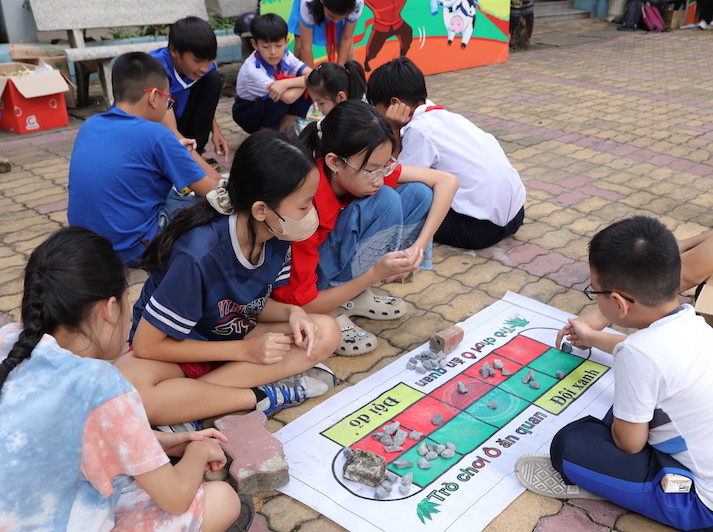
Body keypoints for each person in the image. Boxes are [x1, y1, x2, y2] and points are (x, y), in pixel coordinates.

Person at [0, 226, 252, 532]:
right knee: (223, 500)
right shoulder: (101, 384)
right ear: (109, 309)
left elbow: (62, 437)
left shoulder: (9, 341)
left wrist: (162, 442)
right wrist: (198, 453)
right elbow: (175, 499)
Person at [115, 131, 340, 427]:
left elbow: (254, 304)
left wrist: (292, 313)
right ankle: (259, 396)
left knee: (325, 330)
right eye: (304, 205)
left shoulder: (277, 235)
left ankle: (185, 403)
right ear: (261, 210)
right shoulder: (198, 254)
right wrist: (244, 351)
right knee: (127, 391)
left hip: (233, 338)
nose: (311, 212)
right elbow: (147, 346)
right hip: (179, 348)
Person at [514, 216, 713, 531]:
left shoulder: (639, 354)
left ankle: (614, 486)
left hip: (702, 505)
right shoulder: (694, 323)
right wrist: (593, 338)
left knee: (568, 446)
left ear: (618, 303)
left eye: (594, 292)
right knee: (623, 411)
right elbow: (644, 352)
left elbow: (630, 445)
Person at [272, 100, 458, 356]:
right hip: (305, 291)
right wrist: (374, 274)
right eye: (371, 170)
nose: (379, 179)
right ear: (334, 162)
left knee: (419, 194)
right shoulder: (304, 208)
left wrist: (417, 247)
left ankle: (352, 293)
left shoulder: (359, 171)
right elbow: (296, 301)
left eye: (385, 167)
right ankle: (333, 306)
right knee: (386, 199)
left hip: (330, 253)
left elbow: (447, 181)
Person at [68, 52, 217, 266]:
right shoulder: (157, 135)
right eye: (168, 102)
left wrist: (174, 153)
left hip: (88, 248)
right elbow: (212, 192)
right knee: (206, 205)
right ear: (153, 96)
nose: (168, 107)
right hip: (135, 248)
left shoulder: (90, 125)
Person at [367, 57, 526, 250]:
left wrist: (392, 129)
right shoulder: (446, 116)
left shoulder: (419, 131)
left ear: (395, 104)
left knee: (416, 195)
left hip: (479, 230)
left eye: (377, 110)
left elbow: (398, 180)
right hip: (516, 215)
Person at [555, 227, 713, 350]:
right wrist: (685, 245)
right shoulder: (693, 324)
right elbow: (688, 271)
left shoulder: (650, 349)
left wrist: (593, 335)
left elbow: (647, 352)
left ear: (620, 303)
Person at [150, 16, 227, 176]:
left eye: (209, 60)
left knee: (212, 78)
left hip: (178, 125)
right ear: (174, 51)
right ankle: (184, 161)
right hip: (153, 132)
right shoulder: (154, 70)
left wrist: (216, 131)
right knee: (173, 99)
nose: (204, 67)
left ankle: (196, 152)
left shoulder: (203, 70)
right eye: (198, 60)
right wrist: (214, 178)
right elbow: (170, 129)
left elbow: (205, 103)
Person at [233, 13, 313, 134]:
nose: (273, 52)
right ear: (255, 44)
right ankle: (265, 135)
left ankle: (277, 132)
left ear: (286, 42)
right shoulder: (252, 69)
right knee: (277, 97)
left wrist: (286, 83)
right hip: (247, 111)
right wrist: (307, 82)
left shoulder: (286, 55)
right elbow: (288, 97)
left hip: (270, 102)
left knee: (309, 92)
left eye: (278, 45)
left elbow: (312, 74)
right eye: (266, 46)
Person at [288, 0, 364, 67]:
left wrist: (339, 69)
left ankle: (354, 77)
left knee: (348, 56)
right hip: (314, 7)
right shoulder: (307, 4)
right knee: (300, 50)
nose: (336, 22)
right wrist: (310, 75)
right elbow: (306, 46)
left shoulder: (357, 4)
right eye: (331, 16)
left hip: (341, 7)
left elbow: (346, 38)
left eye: (341, 18)